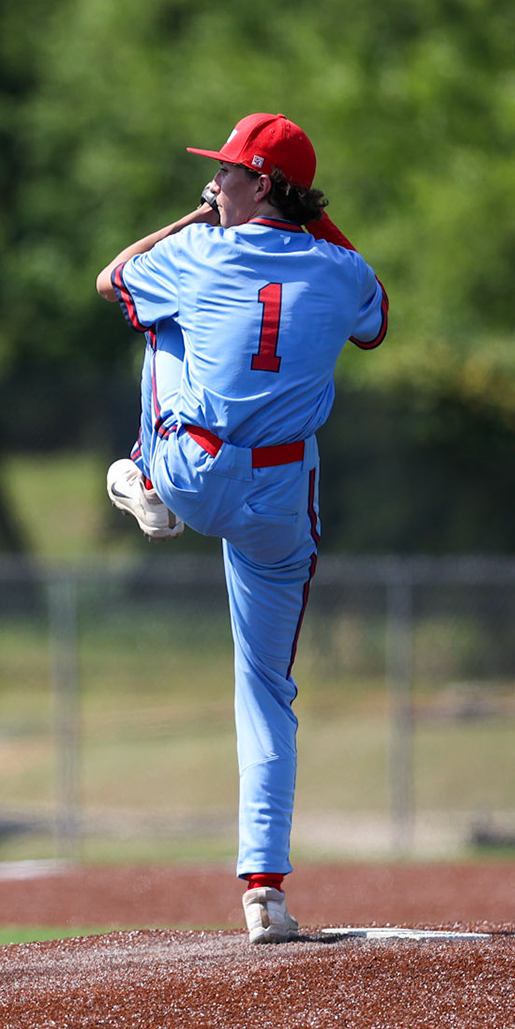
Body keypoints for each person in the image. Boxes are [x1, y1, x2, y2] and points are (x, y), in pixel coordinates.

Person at [94, 113, 387, 943]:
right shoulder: (343, 269)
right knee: (266, 688)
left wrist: (195, 220)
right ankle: (266, 891)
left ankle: (144, 474)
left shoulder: (197, 253)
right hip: (284, 493)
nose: (214, 183)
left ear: (262, 185)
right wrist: (308, 215)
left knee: (160, 330)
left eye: (227, 172)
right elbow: (377, 320)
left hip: (198, 471)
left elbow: (116, 278)